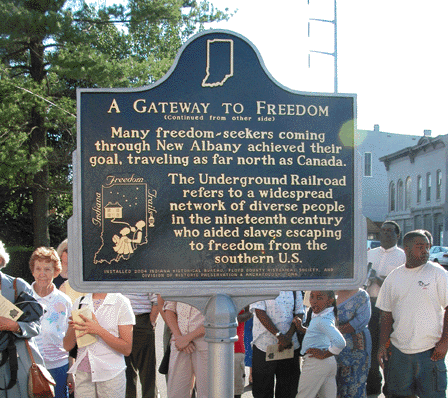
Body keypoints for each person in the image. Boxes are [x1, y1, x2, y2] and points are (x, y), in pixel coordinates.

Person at [377, 230, 448, 398]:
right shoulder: (394, 277)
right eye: (420, 247)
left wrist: (445, 342)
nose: (425, 251)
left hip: (430, 352)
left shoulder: (438, 273)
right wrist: (382, 344)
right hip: (399, 353)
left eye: (427, 247)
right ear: (406, 249)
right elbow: (386, 314)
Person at [63, 292, 135, 398]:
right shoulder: (80, 302)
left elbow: (126, 348)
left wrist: (98, 330)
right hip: (83, 374)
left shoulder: (121, 302)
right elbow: (67, 346)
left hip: (111, 375)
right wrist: (73, 327)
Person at [0, 240, 46, 397]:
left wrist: (15, 326)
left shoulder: (17, 286)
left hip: (19, 364)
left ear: (0, 260)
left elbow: (36, 325)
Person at [366, 220, 406, 395]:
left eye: (390, 231)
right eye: (383, 231)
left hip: (391, 310)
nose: (385, 234)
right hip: (370, 305)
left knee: (389, 348)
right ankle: (373, 386)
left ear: (398, 235)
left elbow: (402, 287)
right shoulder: (370, 254)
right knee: (371, 346)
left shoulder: (403, 257)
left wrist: (379, 280)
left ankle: (390, 387)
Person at [30, 247, 73, 398]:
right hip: (31, 366)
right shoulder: (24, 298)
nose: (42, 274)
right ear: (33, 271)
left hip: (59, 367)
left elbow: (70, 336)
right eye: (38, 269)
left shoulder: (64, 301)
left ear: (55, 272)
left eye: (47, 269)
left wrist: (71, 370)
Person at [250, 291, 304, 398]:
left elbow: (300, 312)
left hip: (289, 348)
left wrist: (287, 337)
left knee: (288, 391)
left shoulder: (294, 284)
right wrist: (279, 336)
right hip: (264, 348)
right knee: (262, 392)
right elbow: (259, 311)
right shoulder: (261, 282)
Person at [294, 290, 346, 398]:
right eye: (312, 297)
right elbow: (317, 332)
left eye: (319, 298)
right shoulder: (325, 314)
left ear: (330, 300)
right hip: (328, 363)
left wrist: (324, 354)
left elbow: (340, 342)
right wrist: (302, 329)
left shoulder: (322, 320)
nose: (313, 301)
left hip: (316, 363)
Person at [163, 300, 207, 398]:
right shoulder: (178, 284)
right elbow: (169, 309)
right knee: (176, 392)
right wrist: (179, 337)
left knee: (207, 392)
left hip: (205, 344)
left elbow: (217, 317)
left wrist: (187, 338)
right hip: (179, 344)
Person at [335, 288, 372, 398]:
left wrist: (334, 330)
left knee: (354, 385)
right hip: (331, 348)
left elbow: (361, 320)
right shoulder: (325, 291)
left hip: (356, 349)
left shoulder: (362, 295)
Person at [124, 293, 159, 398]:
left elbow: (156, 300)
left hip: (142, 320)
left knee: (147, 372)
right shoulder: (117, 276)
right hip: (122, 322)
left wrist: (151, 322)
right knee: (126, 372)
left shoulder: (145, 276)